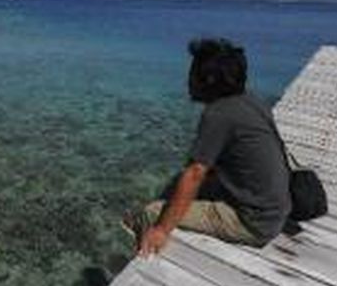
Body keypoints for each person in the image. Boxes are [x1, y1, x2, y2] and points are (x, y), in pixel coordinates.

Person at [123, 38, 291, 256]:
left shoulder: (219, 114)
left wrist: (163, 229)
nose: (189, 79)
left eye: (193, 72)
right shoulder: (250, 100)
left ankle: (142, 253)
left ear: (209, 79)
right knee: (178, 185)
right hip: (275, 207)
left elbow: (195, 173)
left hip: (254, 222)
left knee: (151, 213)